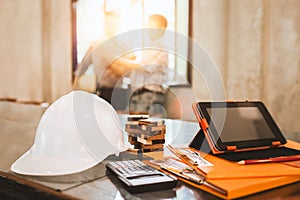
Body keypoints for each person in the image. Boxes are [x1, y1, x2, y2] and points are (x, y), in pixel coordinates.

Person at [128, 14, 169, 116]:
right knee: (137, 127)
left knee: (143, 127)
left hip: (149, 95)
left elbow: (145, 67)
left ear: (161, 29)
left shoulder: (159, 47)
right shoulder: (150, 47)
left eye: (152, 26)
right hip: (141, 94)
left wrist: (120, 61)